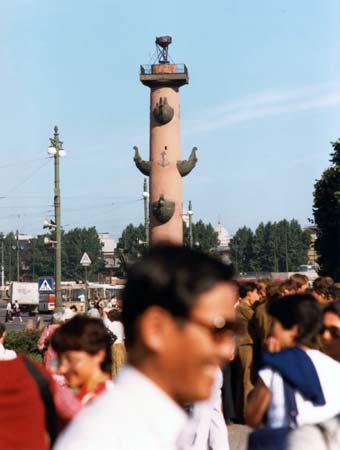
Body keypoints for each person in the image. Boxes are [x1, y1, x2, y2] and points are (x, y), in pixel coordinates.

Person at [54, 245, 238, 450]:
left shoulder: (165, 428)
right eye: (218, 330)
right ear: (156, 329)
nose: (226, 349)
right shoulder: (101, 439)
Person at [245, 294, 340, 431]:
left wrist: (272, 361)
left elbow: (252, 417)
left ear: (294, 329)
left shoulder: (276, 368)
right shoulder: (334, 366)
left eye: (275, 325)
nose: (272, 332)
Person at [51, 315, 113, 405]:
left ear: (98, 355)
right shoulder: (88, 396)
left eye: (71, 360)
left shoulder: (104, 400)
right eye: (60, 360)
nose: (62, 369)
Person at [103, 308, 126, 378]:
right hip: (121, 346)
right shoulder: (121, 324)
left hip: (114, 346)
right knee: (121, 364)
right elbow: (123, 338)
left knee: (114, 364)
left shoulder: (111, 325)